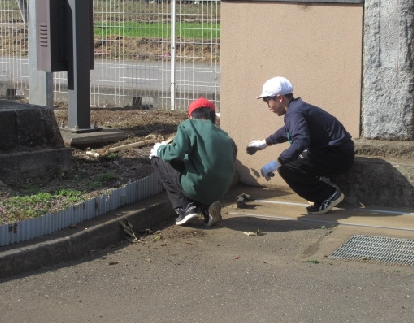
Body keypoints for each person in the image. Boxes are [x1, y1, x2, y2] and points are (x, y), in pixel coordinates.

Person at [246, 77, 354, 214]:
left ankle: (328, 195)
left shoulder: (295, 112)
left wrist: (277, 163)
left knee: (287, 167)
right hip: (336, 152)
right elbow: (287, 131)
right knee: (292, 162)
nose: (267, 105)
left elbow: (301, 140)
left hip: (337, 155)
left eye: (267, 100)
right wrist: (265, 143)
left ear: (279, 98)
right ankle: (323, 191)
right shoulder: (295, 109)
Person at [150, 98, 237, 226]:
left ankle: (185, 208)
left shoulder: (188, 126)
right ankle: (207, 209)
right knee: (201, 173)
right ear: (214, 118)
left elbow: (175, 153)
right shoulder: (226, 136)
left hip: (197, 186)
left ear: (191, 116)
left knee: (157, 159)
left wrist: (160, 149)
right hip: (221, 190)